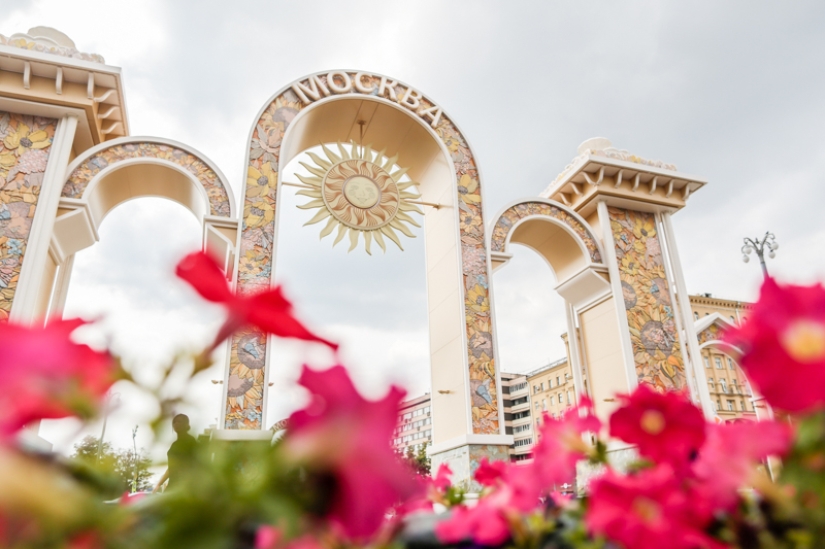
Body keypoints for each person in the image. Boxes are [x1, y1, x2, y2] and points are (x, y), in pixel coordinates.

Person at [152, 413, 197, 493]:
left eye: (179, 421)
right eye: (174, 422)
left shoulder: (191, 441)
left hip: (185, 487)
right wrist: (158, 484)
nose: (176, 423)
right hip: (173, 484)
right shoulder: (174, 445)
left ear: (186, 425)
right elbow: (171, 468)